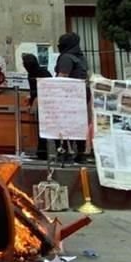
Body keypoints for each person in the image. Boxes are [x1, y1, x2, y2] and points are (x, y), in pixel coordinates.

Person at [55, 32, 92, 163]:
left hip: (68, 95)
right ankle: (81, 153)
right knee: (79, 123)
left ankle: (64, 152)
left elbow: (62, 77)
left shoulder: (66, 57)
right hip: (82, 94)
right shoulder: (81, 58)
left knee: (63, 123)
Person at [22, 53, 52, 160]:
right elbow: (34, 90)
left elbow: (45, 88)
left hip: (47, 102)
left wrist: (32, 99)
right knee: (41, 128)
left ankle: (43, 153)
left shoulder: (38, 73)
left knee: (43, 128)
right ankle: (41, 152)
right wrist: (31, 99)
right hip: (42, 102)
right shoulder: (34, 73)